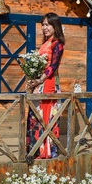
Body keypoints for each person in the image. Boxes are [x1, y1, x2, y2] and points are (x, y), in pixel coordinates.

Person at [26, 12, 65, 160]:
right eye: (43, 25)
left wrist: (39, 80)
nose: (44, 27)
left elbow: (53, 66)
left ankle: (46, 151)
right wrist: (33, 78)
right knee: (36, 116)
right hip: (40, 82)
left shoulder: (57, 44)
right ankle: (36, 149)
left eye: (47, 24)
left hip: (48, 83)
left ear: (55, 26)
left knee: (45, 116)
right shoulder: (45, 43)